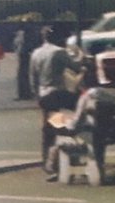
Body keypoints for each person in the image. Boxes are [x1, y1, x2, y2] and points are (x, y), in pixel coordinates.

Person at [30, 25, 84, 169]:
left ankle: (46, 158)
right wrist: (80, 55)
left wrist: (36, 96)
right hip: (57, 92)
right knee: (78, 109)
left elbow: (33, 77)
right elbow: (76, 67)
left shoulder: (36, 53)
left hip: (43, 93)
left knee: (48, 125)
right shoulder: (59, 52)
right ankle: (71, 148)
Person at [13, 20, 35, 100]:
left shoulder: (20, 34)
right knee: (24, 74)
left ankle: (23, 93)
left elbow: (16, 45)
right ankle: (25, 93)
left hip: (22, 54)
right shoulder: (27, 33)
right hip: (25, 54)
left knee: (22, 74)